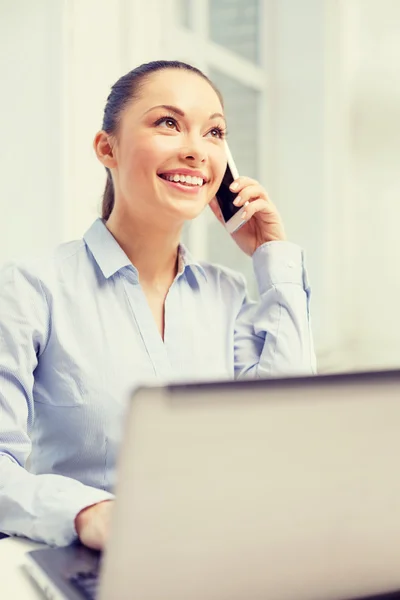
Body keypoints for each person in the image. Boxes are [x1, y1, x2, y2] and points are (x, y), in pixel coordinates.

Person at [0, 60, 315, 550]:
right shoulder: (32, 288)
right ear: (108, 147)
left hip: (219, 552)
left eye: (214, 132)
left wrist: (271, 256)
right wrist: (88, 513)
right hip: (93, 560)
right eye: (168, 123)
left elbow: (284, 429)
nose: (195, 150)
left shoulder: (226, 294)